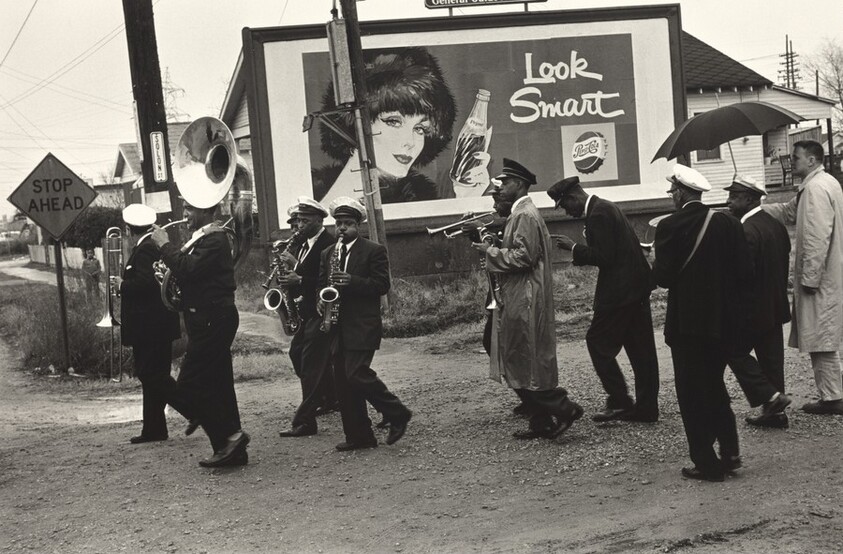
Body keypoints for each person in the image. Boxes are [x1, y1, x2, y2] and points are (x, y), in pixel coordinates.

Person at [472, 159, 583, 440]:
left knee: (522, 356)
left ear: (520, 185)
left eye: (505, 183)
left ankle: (563, 407)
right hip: (522, 293)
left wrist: (490, 252)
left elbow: (524, 257)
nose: (500, 188)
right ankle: (541, 421)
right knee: (522, 356)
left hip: (526, 296)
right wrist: (496, 247)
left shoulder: (524, 215)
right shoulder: (521, 213)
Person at [653, 164, 751, 482]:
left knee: (692, 394)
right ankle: (731, 452)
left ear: (681, 193)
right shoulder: (729, 223)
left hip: (687, 327)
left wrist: (655, 258)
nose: (671, 196)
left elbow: (663, 279)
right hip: (723, 324)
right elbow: (744, 273)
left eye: (672, 192)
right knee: (715, 386)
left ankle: (706, 463)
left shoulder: (668, 226)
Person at [548, 176, 660, 423]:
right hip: (636, 287)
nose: (567, 212)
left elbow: (605, 257)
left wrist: (574, 248)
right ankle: (646, 408)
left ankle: (620, 401)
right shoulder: (606, 206)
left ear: (573, 197)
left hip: (620, 292)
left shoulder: (598, 214)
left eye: (565, 205)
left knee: (597, 342)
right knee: (642, 350)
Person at [151, 199, 250, 468]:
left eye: (190, 209)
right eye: (185, 209)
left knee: (189, 386)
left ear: (208, 211)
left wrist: (164, 245)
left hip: (212, 319)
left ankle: (230, 437)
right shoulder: (203, 238)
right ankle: (231, 451)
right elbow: (191, 275)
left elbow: (188, 269)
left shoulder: (214, 238)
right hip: (206, 317)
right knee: (219, 384)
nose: (185, 215)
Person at [318, 197, 412, 451]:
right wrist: (320, 300)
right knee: (343, 382)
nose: (342, 229)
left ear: (358, 225)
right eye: (338, 223)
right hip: (336, 324)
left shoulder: (373, 250)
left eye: (348, 224)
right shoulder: (328, 253)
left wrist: (352, 281)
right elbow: (321, 285)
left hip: (362, 324)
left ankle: (397, 412)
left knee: (356, 373)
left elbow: (382, 285)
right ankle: (359, 436)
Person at [312, 47, 456, 205]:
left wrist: (470, 196)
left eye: (419, 129)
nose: (410, 142)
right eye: (393, 121)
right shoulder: (313, 199)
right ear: (354, 123)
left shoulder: (419, 198)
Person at [763, 140, 843, 415]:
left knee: (821, 336)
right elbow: (788, 211)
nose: (791, 160)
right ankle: (832, 393)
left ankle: (833, 397)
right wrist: (755, 209)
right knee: (822, 334)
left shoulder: (816, 189)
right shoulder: (821, 184)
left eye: (796, 157)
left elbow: (816, 236)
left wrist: (810, 277)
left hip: (820, 276)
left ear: (811, 160)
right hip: (828, 273)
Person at [724, 176, 793, 428]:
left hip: (751, 309)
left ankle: (771, 397)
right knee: (771, 360)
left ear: (751, 199)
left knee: (733, 350)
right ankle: (776, 415)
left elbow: (741, 275)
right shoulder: (774, 224)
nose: (728, 201)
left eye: (734, 196)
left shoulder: (745, 230)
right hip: (774, 305)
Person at [111, 204, 181, 444]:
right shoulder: (150, 247)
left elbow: (147, 285)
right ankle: (154, 430)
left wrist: (121, 285)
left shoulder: (145, 250)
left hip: (151, 327)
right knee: (154, 376)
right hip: (155, 325)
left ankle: (196, 410)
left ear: (129, 230)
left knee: (152, 375)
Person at [278, 197, 338, 438]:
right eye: (298, 221)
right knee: (297, 354)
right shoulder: (304, 244)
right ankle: (330, 397)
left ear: (319, 220)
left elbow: (327, 281)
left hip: (321, 311)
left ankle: (305, 421)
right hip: (307, 312)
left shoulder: (328, 243)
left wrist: (299, 275)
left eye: (304, 220)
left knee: (311, 363)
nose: (299, 225)